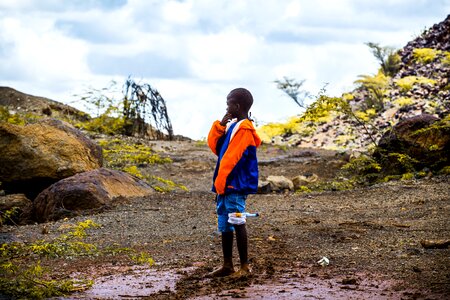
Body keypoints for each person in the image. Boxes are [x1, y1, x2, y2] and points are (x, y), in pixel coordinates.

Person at [207, 87, 261, 278]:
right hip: (226, 185)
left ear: (237, 105)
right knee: (225, 223)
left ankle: (245, 267)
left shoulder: (245, 129)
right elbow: (216, 147)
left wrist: (221, 183)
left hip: (234, 184)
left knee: (238, 221)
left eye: (229, 103)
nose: (226, 106)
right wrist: (220, 126)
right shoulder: (233, 126)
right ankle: (228, 265)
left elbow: (232, 158)